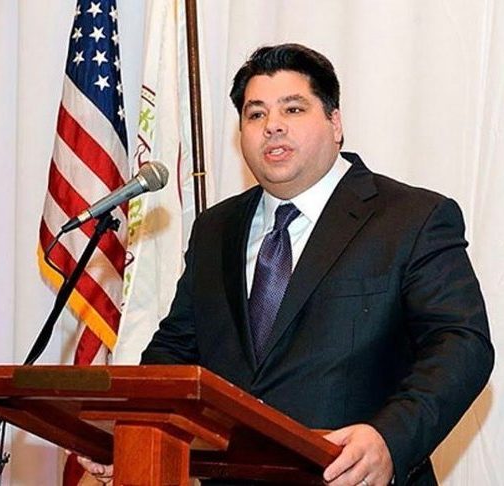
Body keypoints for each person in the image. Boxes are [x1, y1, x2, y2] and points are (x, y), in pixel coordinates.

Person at [81, 43, 494, 485]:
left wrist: (390, 439)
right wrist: (128, 431)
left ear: (335, 123)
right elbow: (175, 352)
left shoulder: (410, 218)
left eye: (293, 109)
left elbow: (461, 344)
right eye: (255, 114)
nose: (272, 126)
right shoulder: (215, 229)